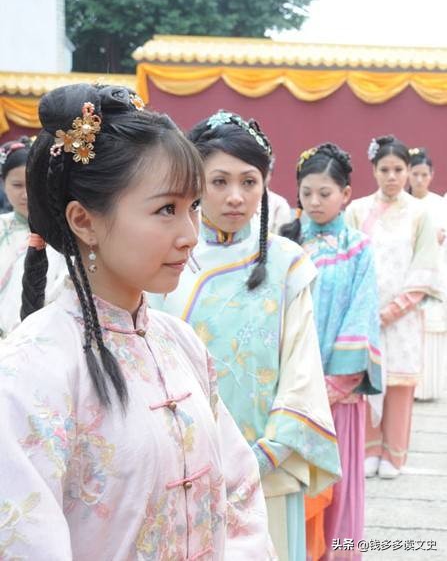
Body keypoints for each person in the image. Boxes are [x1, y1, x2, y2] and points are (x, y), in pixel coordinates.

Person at [0, 85, 272, 560]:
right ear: (84, 221)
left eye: (192, 207)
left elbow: (239, 494)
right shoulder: (31, 368)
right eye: (166, 209)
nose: (190, 235)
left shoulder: (180, 343)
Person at [150, 110, 341, 561]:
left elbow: (302, 367)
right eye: (219, 181)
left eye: (249, 182)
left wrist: (267, 453)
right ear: (195, 182)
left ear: (265, 184)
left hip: (266, 465)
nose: (236, 197)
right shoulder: (164, 258)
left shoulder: (287, 263)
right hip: (180, 463)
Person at [281, 143, 382, 560]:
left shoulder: (358, 249)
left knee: (336, 486)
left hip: (336, 392)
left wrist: (334, 384)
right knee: (292, 484)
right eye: (307, 193)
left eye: (325, 193)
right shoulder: (284, 245)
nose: (315, 201)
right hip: (289, 390)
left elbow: (363, 313)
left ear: (346, 194)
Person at [345, 135, 442, 480]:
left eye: (398, 170)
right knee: (366, 382)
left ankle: (394, 455)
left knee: (400, 386)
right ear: (373, 170)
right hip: (365, 314)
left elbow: (424, 267)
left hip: (403, 317)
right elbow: (349, 261)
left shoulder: (420, 214)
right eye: (384, 169)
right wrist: (365, 310)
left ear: (408, 171)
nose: (391, 176)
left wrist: (392, 311)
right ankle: (369, 449)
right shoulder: (357, 211)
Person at [0, 137, 65, 337]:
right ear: (3, 183)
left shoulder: (62, 236)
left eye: (33, 185)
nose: (26, 194)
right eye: (17, 185)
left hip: (39, 334)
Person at [407, 147, 447, 400]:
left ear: (431, 175)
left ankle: (429, 388)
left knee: (433, 330)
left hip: (435, 273)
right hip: (407, 277)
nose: (420, 180)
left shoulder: (439, 205)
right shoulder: (403, 204)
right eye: (415, 174)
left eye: (424, 174)